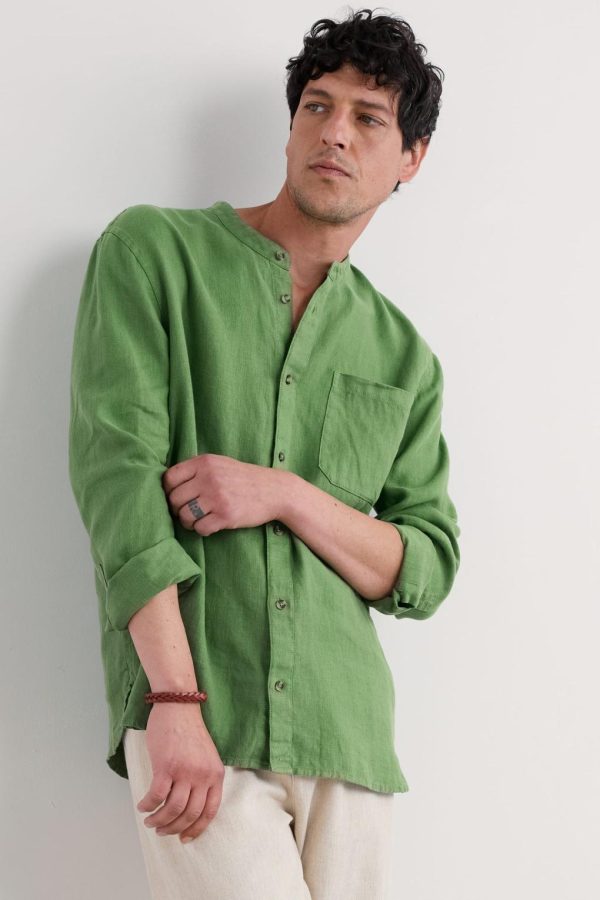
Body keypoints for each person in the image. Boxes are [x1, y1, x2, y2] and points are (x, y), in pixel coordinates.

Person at [68, 8, 461, 899]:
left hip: (345, 736)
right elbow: (117, 484)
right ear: (291, 128)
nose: (335, 132)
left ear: (411, 157)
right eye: (318, 106)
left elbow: (426, 565)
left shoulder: (404, 356)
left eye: (368, 118)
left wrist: (286, 494)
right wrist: (172, 700)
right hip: (205, 709)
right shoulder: (152, 254)